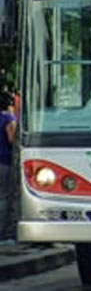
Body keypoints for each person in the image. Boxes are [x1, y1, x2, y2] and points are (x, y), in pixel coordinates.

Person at [0, 90, 15, 238]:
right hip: (4, 160)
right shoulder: (8, 118)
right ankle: (3, 232)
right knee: (4, 197)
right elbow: (12, 139)